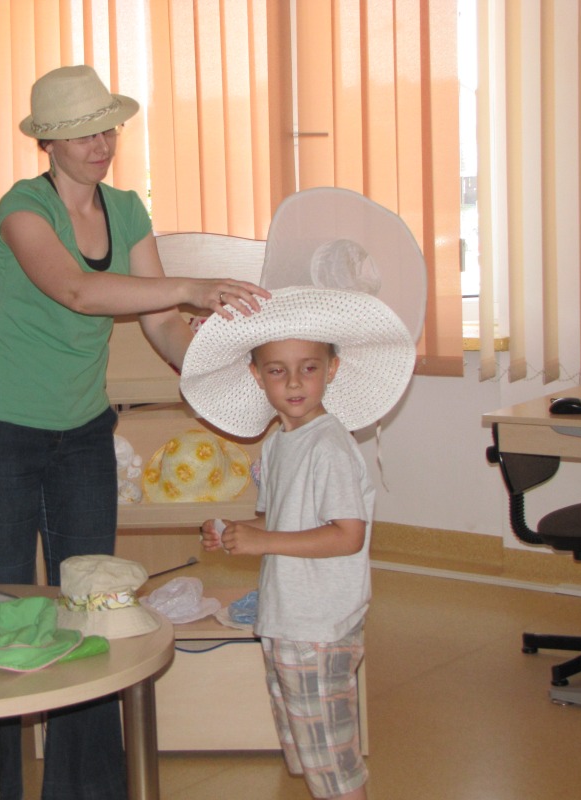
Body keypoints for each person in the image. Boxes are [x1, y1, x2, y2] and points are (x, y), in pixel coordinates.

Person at [0, 64, 269, 800]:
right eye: (82, 132)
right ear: (48, 142)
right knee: (0, 618)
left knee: (97, 610)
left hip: (81, 433)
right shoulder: (22, 209)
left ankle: (88, 789)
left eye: (107, 128)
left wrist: (220, 378)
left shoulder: (126, 209)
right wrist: (193, 285)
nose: (101, 144)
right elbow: (78, 289)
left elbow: (161, 323)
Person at [180, 286, 416, 800]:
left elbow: (347, 535)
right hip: (289, 617)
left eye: (308, 368)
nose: (293, 382)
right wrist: (233, 532)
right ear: (256, 375)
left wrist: (263, 540)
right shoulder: (278, 443)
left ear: (332, 370)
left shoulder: (329, 445)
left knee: (330, 756)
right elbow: (279, 520)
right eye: (277, 370)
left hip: (318, 625)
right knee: (310, 744)